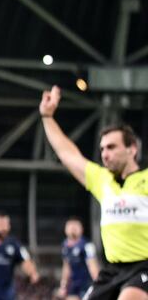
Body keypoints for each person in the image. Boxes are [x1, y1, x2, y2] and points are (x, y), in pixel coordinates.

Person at [40, 85, 148, 300]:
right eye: (102, 149)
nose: (104, 154)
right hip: (113, 270)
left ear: (132, 148)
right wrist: (47, 117)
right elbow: (66, 152)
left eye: (111, 147)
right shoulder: (102, 180)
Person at [58, 217, 99, 299]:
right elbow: (66, 267)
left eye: (76, 226)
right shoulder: (64, 245)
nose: (73, 229)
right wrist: (63, 286)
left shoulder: (87, 245)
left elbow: (92, 266)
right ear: (65, 229)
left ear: (81, 229)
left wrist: (98, 284)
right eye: (70, 226)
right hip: (73, 284)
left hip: (86, 283)